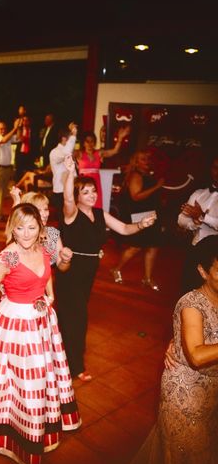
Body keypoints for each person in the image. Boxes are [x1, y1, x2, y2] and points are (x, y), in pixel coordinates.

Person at [0, 203, 81, 464]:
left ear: (40, 228)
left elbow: (55, 271)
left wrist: (52, 287)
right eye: (20, 228)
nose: (26, 233)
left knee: (41, 375)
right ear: (12, 229)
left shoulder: (45, 248)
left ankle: (38, 427)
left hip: (41, 321)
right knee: (18, 381)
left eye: (31, 227)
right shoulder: (8, 258)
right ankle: (16, 432)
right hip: (14, 324)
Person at [57, 155, 156, 381]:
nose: (91, 195)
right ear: (76, 196)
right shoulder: (71, 214)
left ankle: (59, 359)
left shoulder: (100, 214)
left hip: (89, 273)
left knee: (70, 319)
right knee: (77, 319)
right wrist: (70, 173)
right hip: (70, 271)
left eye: (93, 191)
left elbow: (123, 229)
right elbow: (66, 198)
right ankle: (75, 367)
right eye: (85, 192)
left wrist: (141, 224)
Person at [130, 237, 218, 464]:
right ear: (203, 271)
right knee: (186, 455)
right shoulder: (191, 303)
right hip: (187, 394)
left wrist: (176, 339)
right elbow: (197, 356)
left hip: (212, 393)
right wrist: (180, 341)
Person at [110, 149, 164, 290]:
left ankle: (147, 278)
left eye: (147, 158)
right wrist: (157, 187)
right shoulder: (136, 175)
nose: (147, 161)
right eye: (143, 159)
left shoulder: (147, 174)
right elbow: (136, 196)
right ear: (136, 162)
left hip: (151, 214)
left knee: (153, 246)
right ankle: (116, 268)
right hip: (140, 216)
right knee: (136, 247)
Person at [177, 155, 218, 295]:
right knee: (189, 288)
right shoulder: (199, 194)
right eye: (215, 168)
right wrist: (195, 223)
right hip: (195, 247)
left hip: (216, 253)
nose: (217, 172)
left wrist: (202, 217)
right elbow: (181, 220)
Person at [74, 126, 130, 209]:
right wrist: (73, 135)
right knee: (83, 205)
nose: (90, 144)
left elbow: (115, 151)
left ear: (95, 142)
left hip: (96, 182)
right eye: (87, 141)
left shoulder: (99, 153)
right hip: (83, 182)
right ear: (83, 143)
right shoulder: (79, 154)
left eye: (92, 141)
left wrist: (120, 138)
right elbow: (68, 152)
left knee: (96, 204)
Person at [49, 123, 78, 217]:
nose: (73, 143)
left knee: (72, 218)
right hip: (60, 192)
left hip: (71, 188)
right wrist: (73, 135)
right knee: (63, 219)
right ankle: (56, 232)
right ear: (64, 139)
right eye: (70, 140)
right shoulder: (55, 152)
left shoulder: (67, 151)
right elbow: (67, 152)